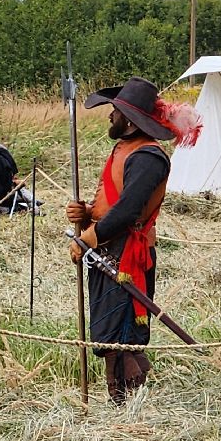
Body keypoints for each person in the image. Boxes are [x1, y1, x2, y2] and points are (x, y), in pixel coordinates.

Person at [66, 77, 200, 404]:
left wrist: (87, 240)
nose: (110, 115)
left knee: (124, 334)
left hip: (126, 252)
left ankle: (129, 406)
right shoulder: (126, 149)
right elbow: (113, 203)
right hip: (107, 247)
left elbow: (127, 210)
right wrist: (87, 213)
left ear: (129, 119)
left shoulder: (148, 157)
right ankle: (119, 402)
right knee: (110, 334)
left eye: (116, 111)